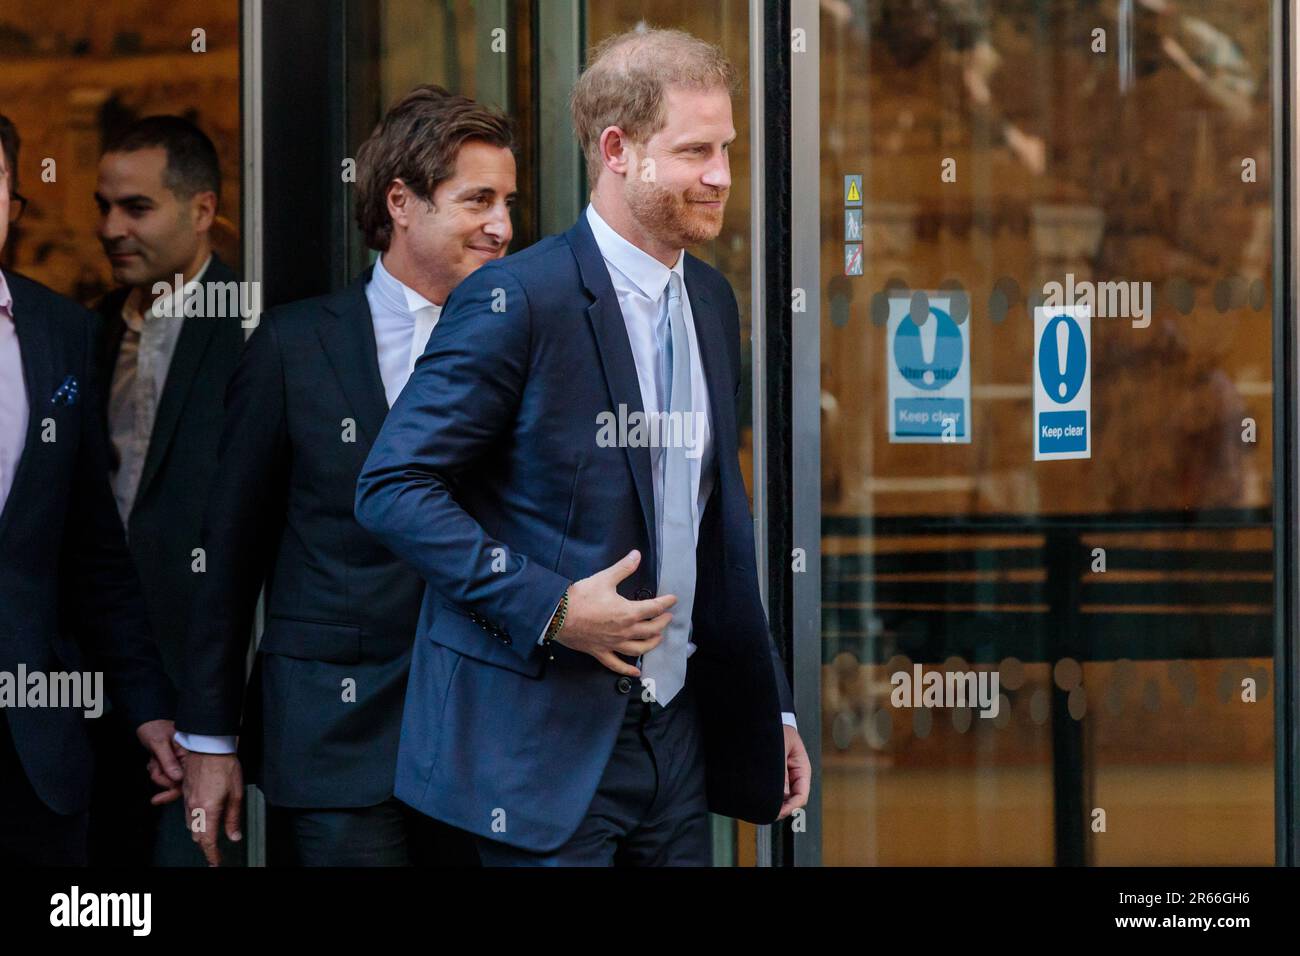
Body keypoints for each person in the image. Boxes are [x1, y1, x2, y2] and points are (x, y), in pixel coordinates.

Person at [355, 28, 810, 866]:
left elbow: (713, 526)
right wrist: (551, 607)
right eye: (695, 150)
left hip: (676, 743)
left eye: (727, 148)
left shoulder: (711, 300)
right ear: (617, 150)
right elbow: (393, 485)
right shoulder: (515, 301)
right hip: (536, 755)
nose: (722, 175)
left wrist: (771, 707)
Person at [177, 86, 515, 866]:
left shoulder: (524, 338)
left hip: (487, 740)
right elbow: (228, 557)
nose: (501, 224)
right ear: (401, 201)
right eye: (478, 200)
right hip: (334, 743)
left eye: (507, 201)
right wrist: (207, 738)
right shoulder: (293, 349)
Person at [0, 113, 181, 866]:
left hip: (33, 754)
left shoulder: (62, 333)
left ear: (12, 204)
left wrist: (146, 708)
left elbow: (92, 546)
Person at [87, 115, 246, 867]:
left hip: (210, 690)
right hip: (96, 683)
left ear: (203, 211)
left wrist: (215, 717)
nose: (112, 228)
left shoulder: (256, 326)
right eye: (104, 207)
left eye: (137, 208)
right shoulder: (82, 333)